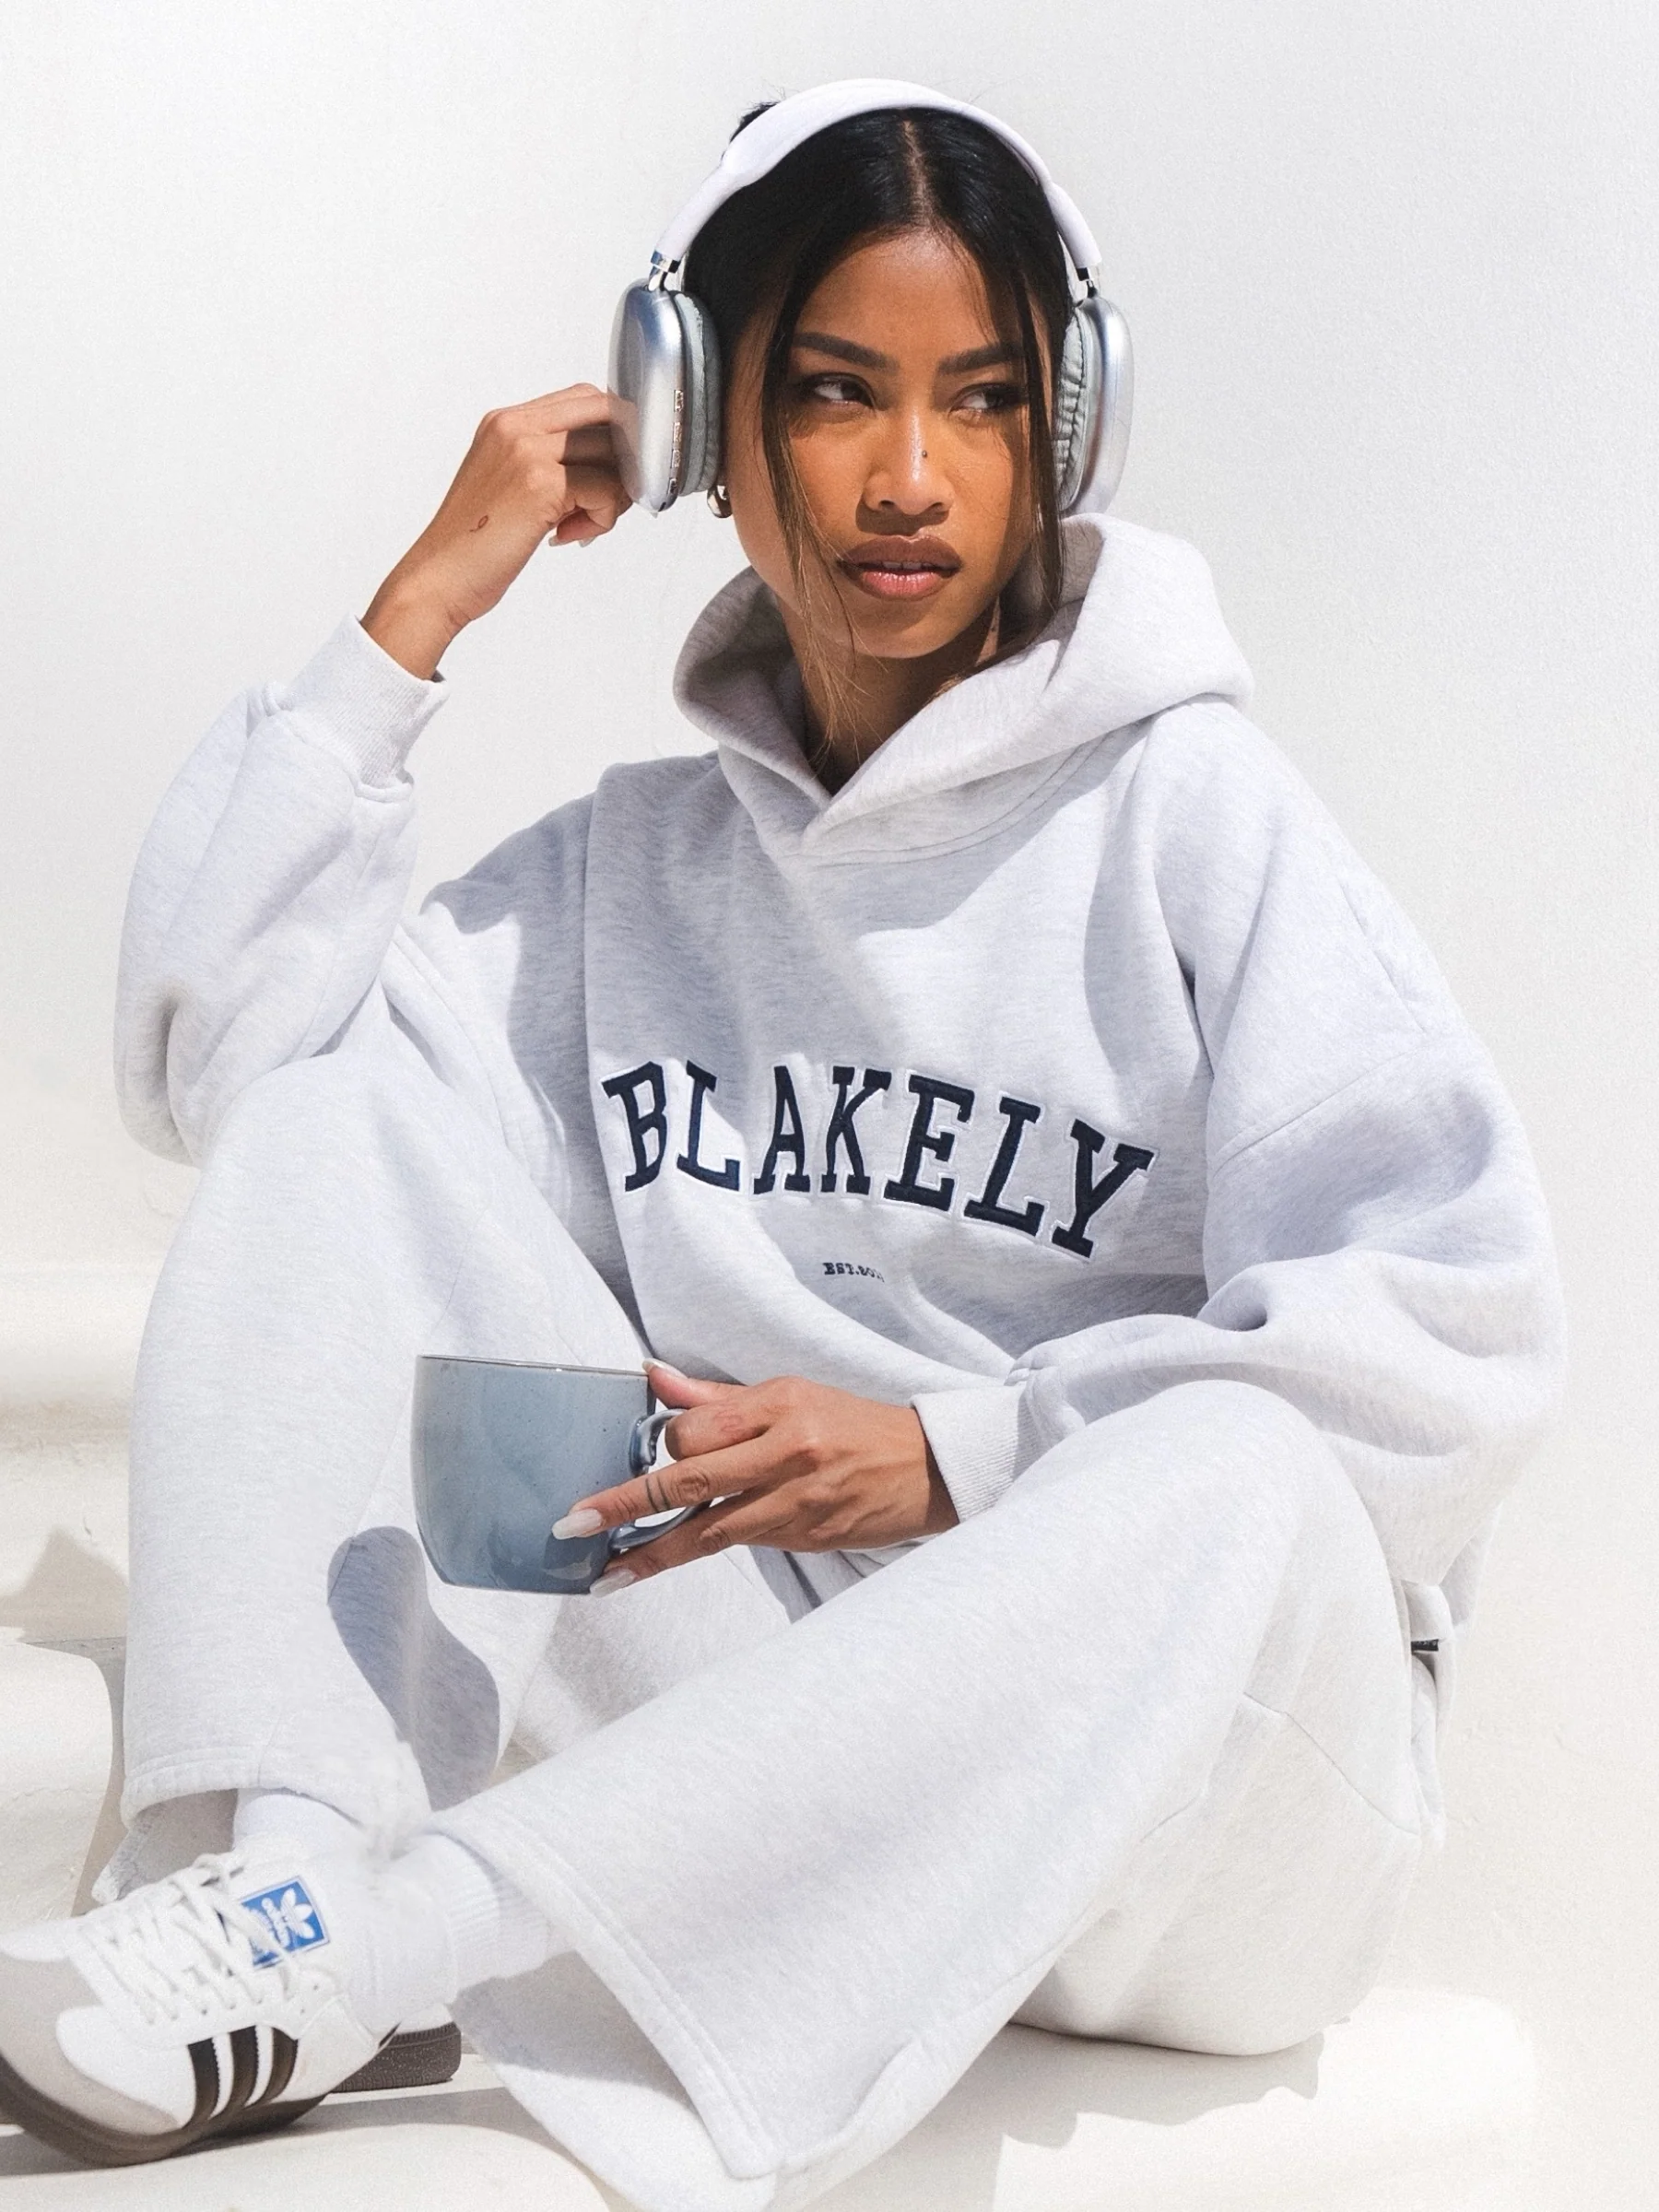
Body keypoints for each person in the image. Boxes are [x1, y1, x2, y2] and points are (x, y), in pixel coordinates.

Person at [0, 81, 1562, 2209]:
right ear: (696, 422)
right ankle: (281, 1891)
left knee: (1250, 1469)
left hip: (1187, 1828)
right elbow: (224, 1072)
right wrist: (414, 616)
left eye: (982, 400)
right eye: (835, 393)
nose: (911, 477)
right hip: (774, 1742)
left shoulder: (1194, 820)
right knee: (345, 1109)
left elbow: (1459, 1341)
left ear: (1067, 429)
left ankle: (412, 1931)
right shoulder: (632, 878)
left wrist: (954, 1459)